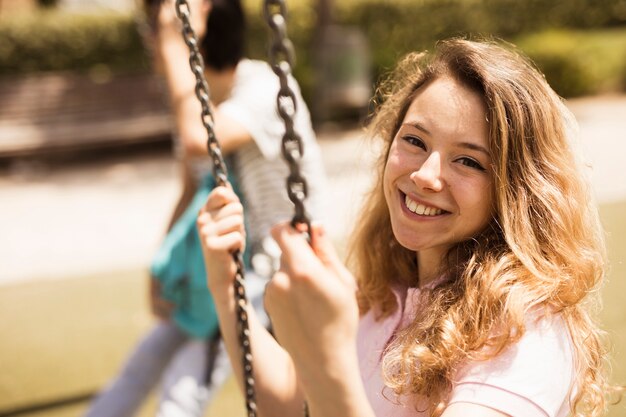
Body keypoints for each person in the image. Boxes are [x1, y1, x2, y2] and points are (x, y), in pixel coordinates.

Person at [198, 38, 620, 417]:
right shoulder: (388, 297)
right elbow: (291, 404)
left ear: (515, 188)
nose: (426, 175)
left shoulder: (524, 331)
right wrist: (226, 286)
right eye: (415, 141)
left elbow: (327, 393)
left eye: (469, 161)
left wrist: (327, 360)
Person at [85, 0, 326, 416]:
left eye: (156, 31)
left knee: (182, 387)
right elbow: (189, 189)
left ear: (198, 36)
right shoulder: (198, 106)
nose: (152, 42)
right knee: (143, 362)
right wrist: (160, 267)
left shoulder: (264, 86)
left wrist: (176, 42)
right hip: (218, 266)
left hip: (271, 267)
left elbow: (200, 140)